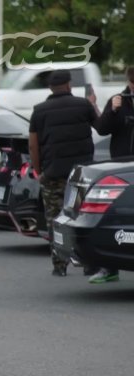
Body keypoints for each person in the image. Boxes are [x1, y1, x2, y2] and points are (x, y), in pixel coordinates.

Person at [29, 69, 101, 277]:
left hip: (53, 175)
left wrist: (38, 170)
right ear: (69, 85)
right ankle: (89, 262)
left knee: (55, 218)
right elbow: (100, 126)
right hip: (81, 175)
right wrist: (93, 103)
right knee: (82, 217)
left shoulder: (39, 110)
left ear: (50, 88)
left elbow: (33, 144)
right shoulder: (83, 105)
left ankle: (59, 264)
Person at [85, 66, 134, 283]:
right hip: (122, 166)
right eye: (133, 85)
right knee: (116, 217)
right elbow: (102, 129)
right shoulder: (119, 101)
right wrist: (112, 111)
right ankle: (108, 266)